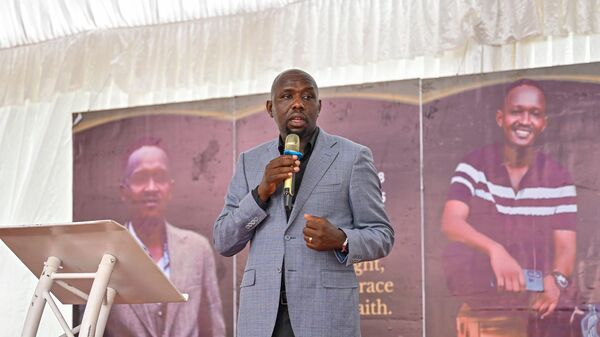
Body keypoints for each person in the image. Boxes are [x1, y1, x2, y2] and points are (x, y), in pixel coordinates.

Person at [213, 69, 394, 337]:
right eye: (287, 96)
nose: (298, 103)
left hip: (325, 318)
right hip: (262, 320)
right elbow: (224, 240)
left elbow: (382, 234)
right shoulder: (249, 162)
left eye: (308, 96)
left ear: (319, 107)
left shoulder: (352, 157)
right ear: (270, 108)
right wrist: (260, 193)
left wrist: (341, 239)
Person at [441, 79, 578, 337]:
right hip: (482, 310)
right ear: (500, 118)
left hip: (534, 311)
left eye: (534, 114)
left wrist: (556, 279)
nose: (525, 120)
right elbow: (451, 223)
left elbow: (566, 247)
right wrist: (496, 250)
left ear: (544, 123)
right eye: (517, 111)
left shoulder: (559, 177)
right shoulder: (474, 165)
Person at [104, 139, 225, 337]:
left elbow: (213, 327)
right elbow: (89, 328)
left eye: (159, 177)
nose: (151, 187)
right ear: (123, 191)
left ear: (170, 188)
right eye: (141, 177)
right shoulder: (104, 253)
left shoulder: (197, 249)